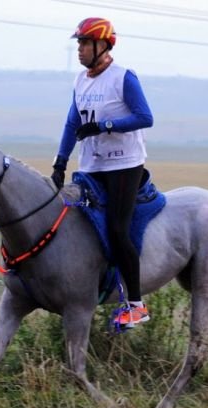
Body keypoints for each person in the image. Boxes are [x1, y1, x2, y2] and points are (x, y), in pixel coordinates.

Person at [51, 17, 154, 329]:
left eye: (84, 43)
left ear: (102, 45)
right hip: (92, 165)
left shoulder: (123, 78)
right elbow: (72, 124)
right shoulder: (80, 81)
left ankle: (136, 305)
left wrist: (104, 126)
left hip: (124, 164)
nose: (79, 49)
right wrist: (60, 162)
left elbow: (145, 117)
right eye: (79, 43)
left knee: (117, 229)